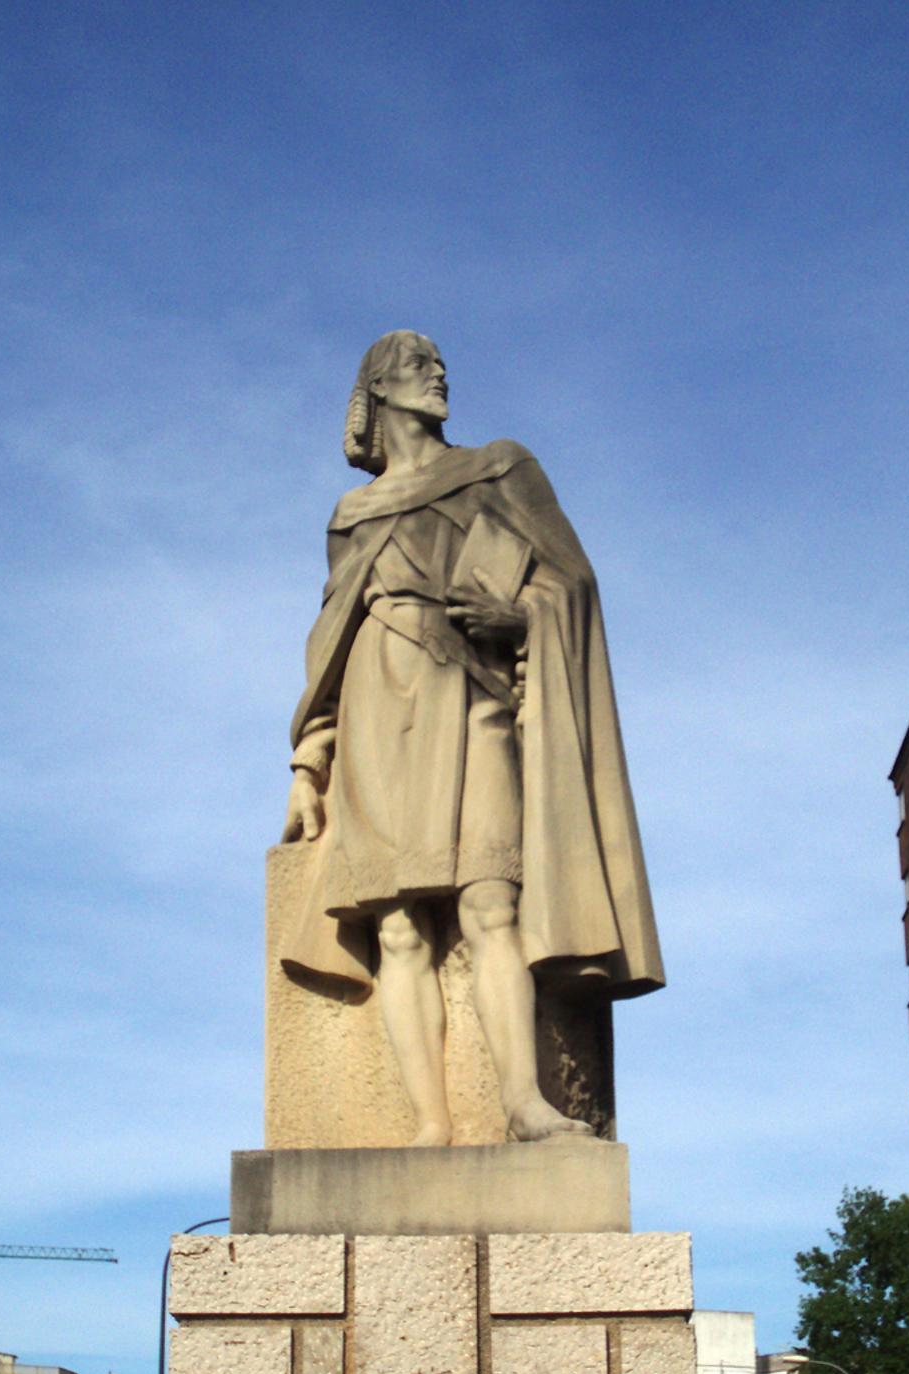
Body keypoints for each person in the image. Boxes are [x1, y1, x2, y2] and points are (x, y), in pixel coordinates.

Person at [280, 331, 663, 1145]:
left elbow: (575, 580)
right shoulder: (351, 515)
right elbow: (331, 636)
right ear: (379, 389)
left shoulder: (499, 466)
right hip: (378, 705)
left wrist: (522, 614)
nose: (440, 374)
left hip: (472, 694)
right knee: (397, 926)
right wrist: (309, 762)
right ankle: (430, 1125)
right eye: (419, 366)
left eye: (439, 364)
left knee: (493, 898)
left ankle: (524, 1104)